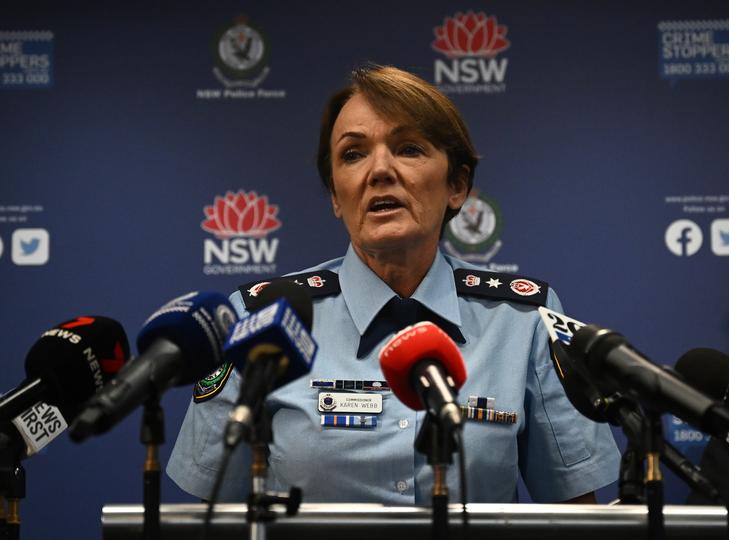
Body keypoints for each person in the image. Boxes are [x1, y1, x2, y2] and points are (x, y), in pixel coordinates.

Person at [167, 65, 620, 504]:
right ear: (335, 197)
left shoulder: (523, 320)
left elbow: (574, 516)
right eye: (353, 154)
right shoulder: (260, 319)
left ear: (457, 186)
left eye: (408, 148)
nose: (379, 170)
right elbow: (211, 517)